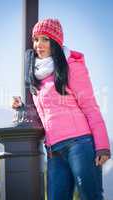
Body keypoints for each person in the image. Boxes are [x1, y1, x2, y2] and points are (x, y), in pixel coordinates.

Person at [12, 18, 111, 200]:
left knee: (91, 196)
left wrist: (103, 146)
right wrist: (22, 108)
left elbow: (90, 107)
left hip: (80, 145)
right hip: (54, 151)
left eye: (45, 39)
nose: (39, 44)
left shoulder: (71, 67)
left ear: (55, 43)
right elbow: (45, 112)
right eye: (36, 39)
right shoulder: (36, 75)